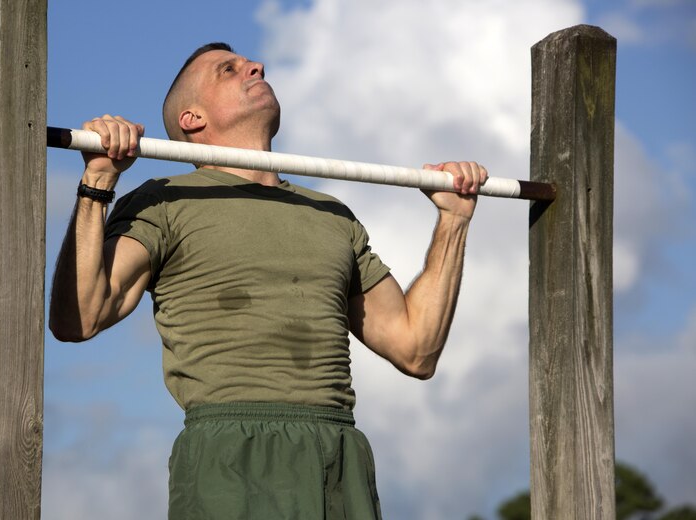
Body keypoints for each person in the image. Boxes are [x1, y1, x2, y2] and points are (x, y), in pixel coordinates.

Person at [49, 42, 487, 519]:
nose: (255, 66)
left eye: (250, 63)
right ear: (193, 119)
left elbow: (416, 349)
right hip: (232, 456)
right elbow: (79, 317)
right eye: (228, 70)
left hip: (338, 453)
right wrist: (98, 181)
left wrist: (454, 221)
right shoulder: (164, 201)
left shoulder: (330, 214)